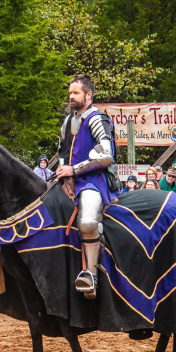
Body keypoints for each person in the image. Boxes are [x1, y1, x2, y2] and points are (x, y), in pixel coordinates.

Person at [56, 74, 119, 299]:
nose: (71, 96)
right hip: (68, 180)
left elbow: (106, 156)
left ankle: (90, 275)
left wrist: (74, 170)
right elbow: (63, 152)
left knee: (88, 221)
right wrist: (63, 171)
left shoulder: (97, 119)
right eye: (70, 92)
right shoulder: (68, 120)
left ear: (88, 95)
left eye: (76, 93)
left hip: (94, 180)